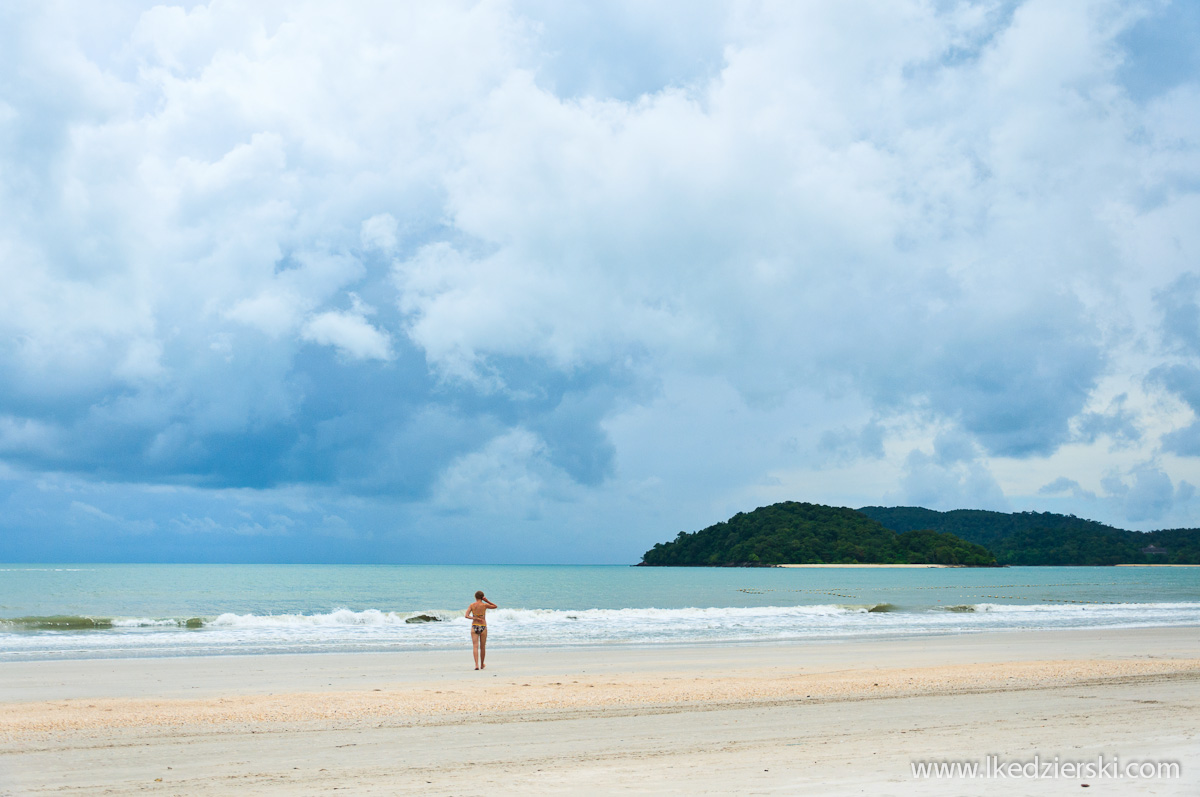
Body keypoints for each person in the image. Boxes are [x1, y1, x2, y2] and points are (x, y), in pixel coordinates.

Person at [465, 590, 497, 670]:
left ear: (475, 597)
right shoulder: (484, 605)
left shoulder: (472, 605)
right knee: (482, 646)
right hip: (483, 626)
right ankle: (482, 664)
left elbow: (466, 615)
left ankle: (476, 665)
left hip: (474, 626)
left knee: (475, 646)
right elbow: (495, 606)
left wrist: (474, 618)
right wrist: (487, 601)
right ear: (482, 597)